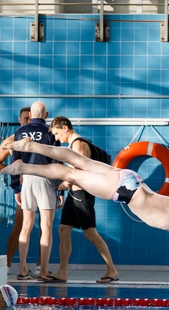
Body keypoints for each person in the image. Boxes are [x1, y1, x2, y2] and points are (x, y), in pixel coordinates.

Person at [1, 138, 169, 281]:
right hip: (125, 191)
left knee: (77, 160)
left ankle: (31, 149)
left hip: (131, 180)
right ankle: (25, 166)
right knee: (70, 173)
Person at [47, 116, 119, 283]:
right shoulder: (73, 145)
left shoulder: (78, 144)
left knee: (90, 233)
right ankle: (62, 272)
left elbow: (82, 171)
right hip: (74, 195)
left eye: (57, 133)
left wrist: (66, 183)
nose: (57, 138)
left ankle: (112, 269)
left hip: (82, 195)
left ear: (65, 128)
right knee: (64, 230)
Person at [9, 101, 62, 281]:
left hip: (27, 180)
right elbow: (57, 161)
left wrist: (16, 188)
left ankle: (22, 269)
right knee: (46, 227)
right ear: (46, 115)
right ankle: (43, 271)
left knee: (26, 226)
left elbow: (14, 162)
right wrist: (60, 189)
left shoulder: (20, 132)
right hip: (45, 178)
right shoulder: (50, 132)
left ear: (30, 115)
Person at [0, 106, 32, 271]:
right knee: (20, 225)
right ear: (19, 120)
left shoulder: (42, 138)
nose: (28, 122)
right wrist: (15, 173)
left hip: (43, 185)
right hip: (24, 188)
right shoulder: (11, 141)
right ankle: (7, 266)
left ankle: (39, 268)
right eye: (26, 119)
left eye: (31, 119)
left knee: (46, 227)